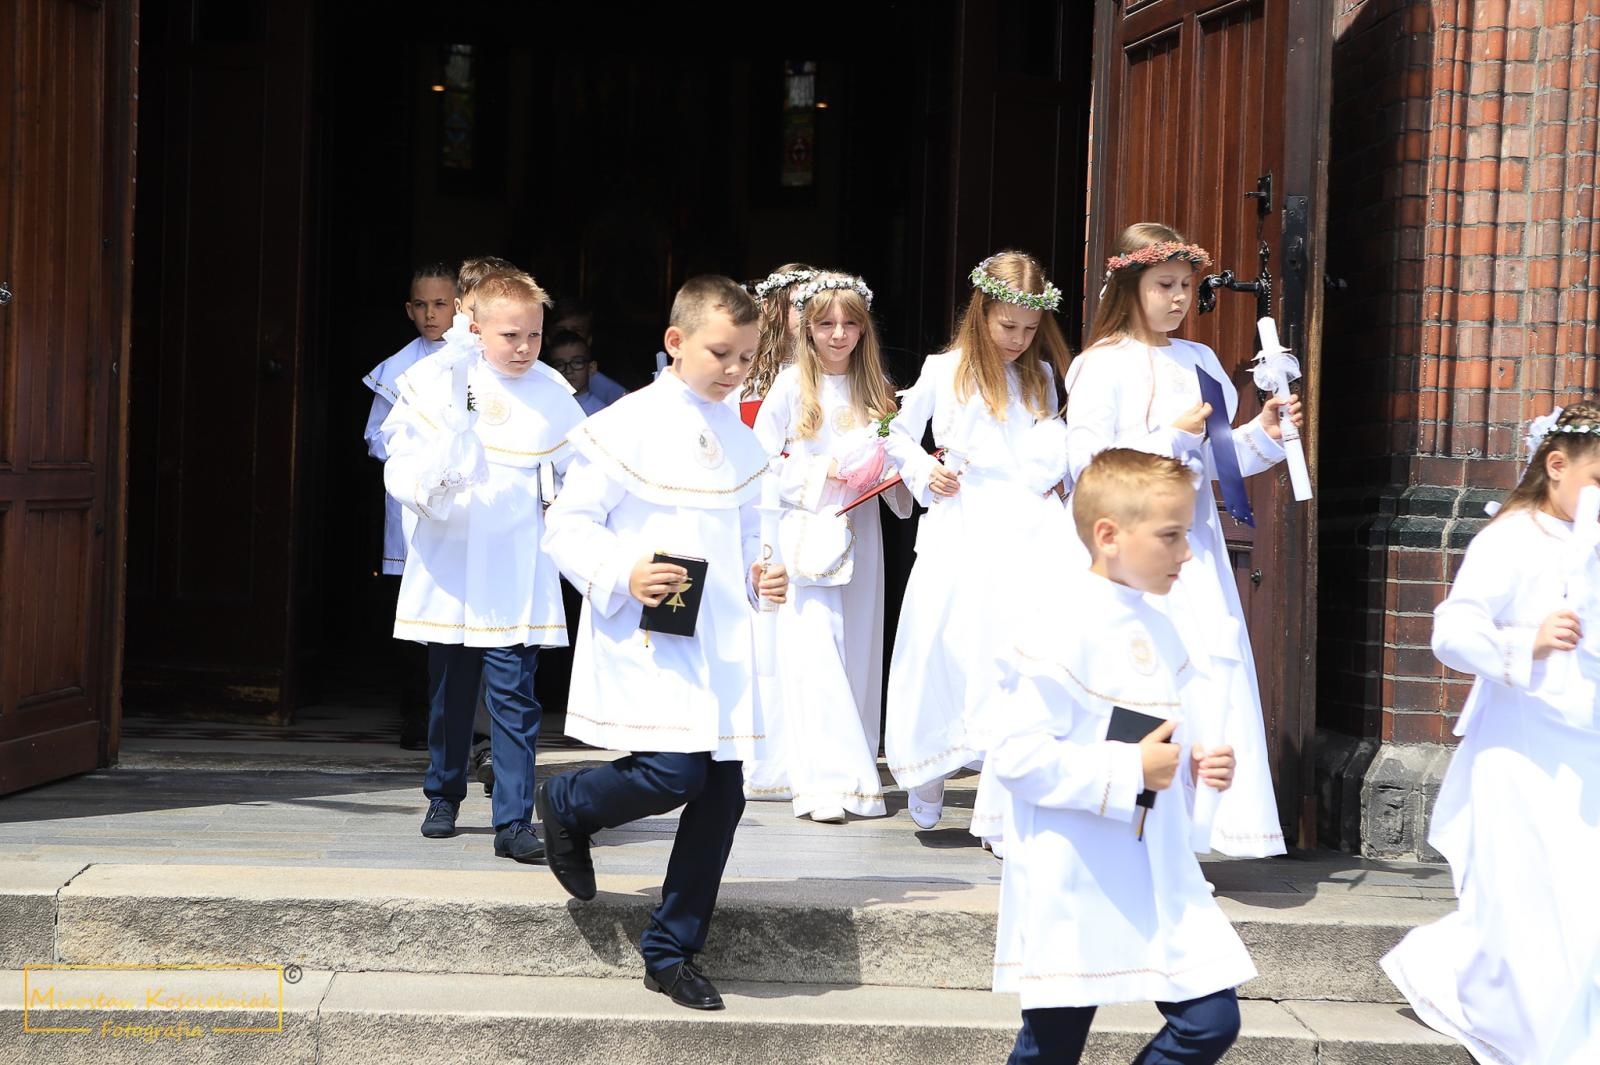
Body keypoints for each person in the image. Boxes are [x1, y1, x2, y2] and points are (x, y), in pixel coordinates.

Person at [536, 275, 789, 1011]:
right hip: (656, 618)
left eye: (747, 356)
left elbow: (748, 533)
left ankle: (671, 948)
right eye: (722, 353)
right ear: (676, 342)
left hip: (719, 631)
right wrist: (624, 569)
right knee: (673, 772)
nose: (736, 369)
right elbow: (568, 524)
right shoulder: (629, 422)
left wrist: (762, 573)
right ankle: (572, 801)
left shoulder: (739, 436)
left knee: (725, 791)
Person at [978, 447, 1254, 1065]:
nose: (1186, 553)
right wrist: (1129, 772)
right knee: (1051, 1047)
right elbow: (1018, 757)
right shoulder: (1056, 625)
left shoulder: (1159, 625)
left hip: (1152, 862)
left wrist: (1193, 766)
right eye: (1170, 536)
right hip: (1076, 869)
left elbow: (1155, 738)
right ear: (1109, 535)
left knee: (1210, 1019)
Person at [1063, 222, 1301, 858]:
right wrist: (1165, 436)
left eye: (1186, 286)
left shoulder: (1199, 362)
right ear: (1130, 285)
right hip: (1133, 554)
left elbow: (1221, 462)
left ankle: (1198, 831)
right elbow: (1087, 465)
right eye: (1163, 284)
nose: (1176, 298)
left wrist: (1263, 434)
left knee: (1204, 666)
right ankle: (1137, 825)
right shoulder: (1100, 364)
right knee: (1144, 671)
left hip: (1194, 551)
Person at [1380, 403, 1600, 1065]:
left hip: (1583, 743)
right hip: (1521, 745)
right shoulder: (1512, 537)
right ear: (1555, 466)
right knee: (1538, 893)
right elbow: (1452, 630)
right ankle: (1503, 1008)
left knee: (1581, 896)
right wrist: (1524, 641)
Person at [381, 272, 585, 862]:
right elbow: (402, 459)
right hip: (453, 557)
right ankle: (443, 793)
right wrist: (440, 469)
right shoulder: (435, 380)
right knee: (450, 689)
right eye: (510, 335)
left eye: (534, 336)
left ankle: (514, 818)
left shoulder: (550, 393)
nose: (524, 348)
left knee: (515, 694)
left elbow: (579, 472)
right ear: (476, 329)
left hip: (516, 562)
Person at [882, 250, 1073, 834]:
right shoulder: (947, 370)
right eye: (1007, 326)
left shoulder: (1040, 377)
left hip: (1027, 523)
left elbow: (1049, 443)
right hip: (964, 516)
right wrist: (923, 470)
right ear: (982, 313)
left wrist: (1054, 475)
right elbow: (894, 433)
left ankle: (1002, 791)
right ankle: (931, 768)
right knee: (950, 640)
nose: (1017, 340)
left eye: (1029, 329)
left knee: (1015, 647)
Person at [745, 273, 911, 822]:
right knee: (815, 653)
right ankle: (818, 783)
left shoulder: (878, 386)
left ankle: (855, 772)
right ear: (807, 329)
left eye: (849, 324)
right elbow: (760, 463)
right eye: (825, 324)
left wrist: (893, 471)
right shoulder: (792, 385)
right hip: (807, 534)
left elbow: (898, 454)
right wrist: (825, 471)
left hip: (861, 531)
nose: (838, 335)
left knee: (857, 651)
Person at [363, 261, 455, 749]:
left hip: (462, 502)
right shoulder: (398, 368)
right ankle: (417, 713)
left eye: (440, 303)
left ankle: (463, 719)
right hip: (411, 504)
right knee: (411, 611)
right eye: (421, 304)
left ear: (460, 306)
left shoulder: (477, 360)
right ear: (408, 308)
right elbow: (376, 436)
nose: (430, 313)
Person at [741, 263, 818, 405]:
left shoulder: (835, 367)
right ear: (768, 306)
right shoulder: (745, 368)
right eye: (796, 304)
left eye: (812, 304)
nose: (806, 313)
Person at [545, 329, 625, 415]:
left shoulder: (603, 413)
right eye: (559, 365)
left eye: (577, 362)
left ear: (591, 368)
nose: (568, 371)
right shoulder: (543, 408)